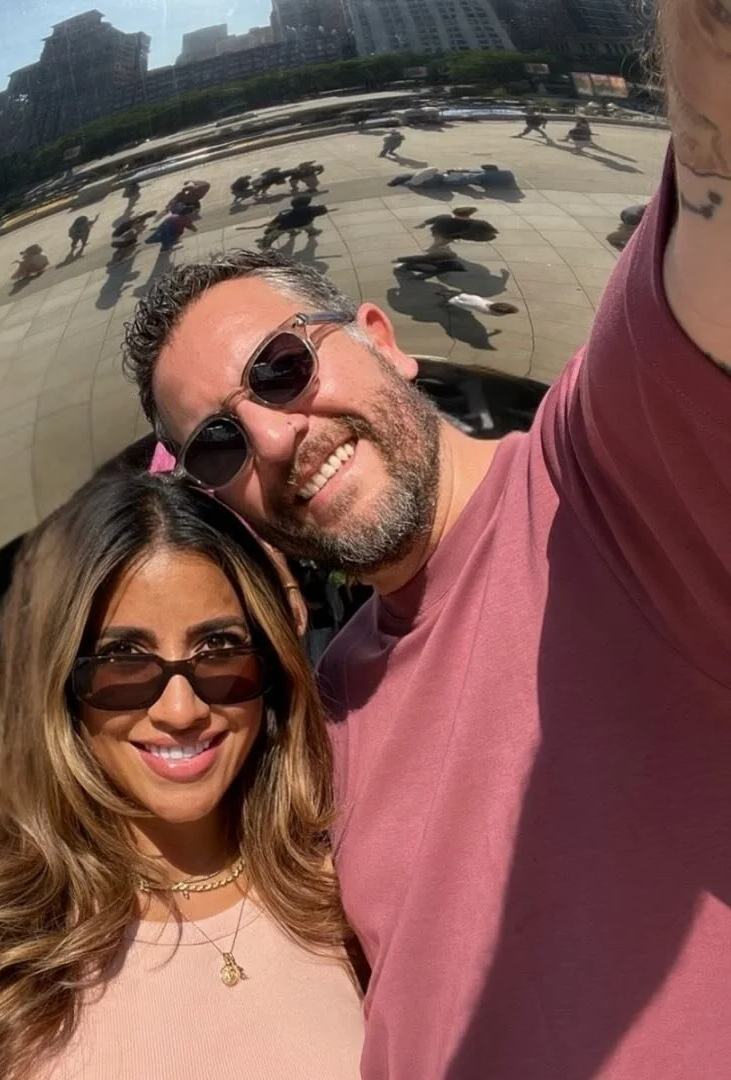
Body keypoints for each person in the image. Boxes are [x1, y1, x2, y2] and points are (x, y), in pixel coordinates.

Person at [120, 13, 731, 1067]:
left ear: (382, 339)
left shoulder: (610, 474)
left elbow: (718, 147)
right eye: (217, 443)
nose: (272, 436)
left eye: (281, 369)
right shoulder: (322, 713)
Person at [0, 471, 365, 1080]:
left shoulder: (350, 896)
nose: (180, 710)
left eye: (219, 650)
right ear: (62, 686)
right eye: (123, 662)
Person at [258, 195, 330, 249]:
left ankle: (266, 244)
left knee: (275, 234)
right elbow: (319, 210)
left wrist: (272, 224)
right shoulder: (310, 209)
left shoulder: (289, 212)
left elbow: (280, 220)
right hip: (303, 224)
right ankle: (312, 232)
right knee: (308, 226)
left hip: (286, 225)